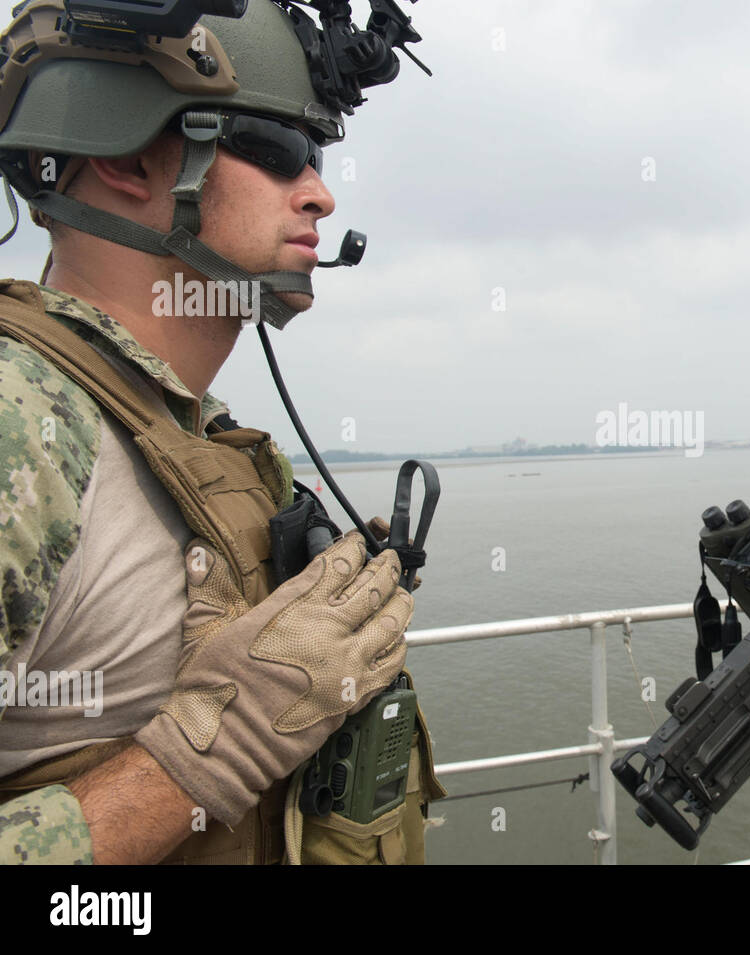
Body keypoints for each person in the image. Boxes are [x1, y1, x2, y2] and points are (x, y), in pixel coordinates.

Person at [0, 0, 439, 864]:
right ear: (126, 158)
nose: (319, 193)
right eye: (275, 148)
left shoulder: (200, 435)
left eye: (316, 155)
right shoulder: (25, 428)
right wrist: (200, 757)